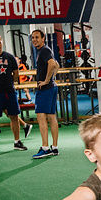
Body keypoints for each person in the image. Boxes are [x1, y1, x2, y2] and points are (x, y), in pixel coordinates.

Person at [30, 29, 60, 159]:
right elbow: (56, 65)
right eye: (33, 38)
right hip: (52, 87)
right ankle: (54, 147)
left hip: (46, 89)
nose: (35, 40)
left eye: (37, 37)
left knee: (41, 117)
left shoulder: (44, 50)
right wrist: (52, 78)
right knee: (52, 117)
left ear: (43, 38)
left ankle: (45, 148)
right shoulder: (45, 50)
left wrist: (47, 80)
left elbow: (53, 64)